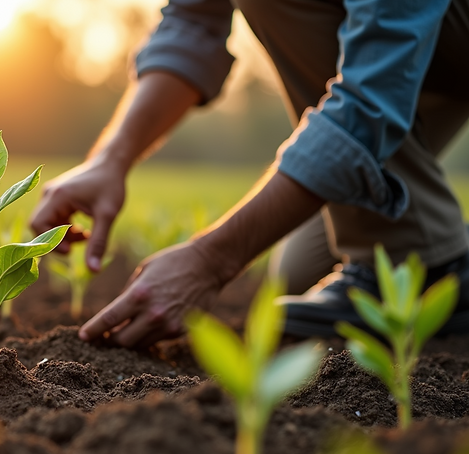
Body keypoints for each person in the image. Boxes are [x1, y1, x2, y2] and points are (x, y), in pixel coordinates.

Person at [29, 0, 469, 347]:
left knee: (395, 268)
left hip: (402, 62)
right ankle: (412, 250)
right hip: (414, 58)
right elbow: (193, 22)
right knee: (299, 271)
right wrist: (111, 158)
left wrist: (211, 259)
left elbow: (368, 102)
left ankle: (433, 266)